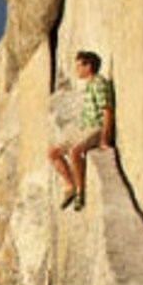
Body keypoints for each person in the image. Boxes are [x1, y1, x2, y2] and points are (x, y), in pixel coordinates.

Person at [47, 50, 113, 211]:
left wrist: (104, 138)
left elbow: (107, 111)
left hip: (96, 128)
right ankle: (70, 185)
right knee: (52, 152)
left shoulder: (99, 84)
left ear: (88, 66)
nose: (76, 70)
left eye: (79, 66)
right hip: (85, 127)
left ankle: (80, 191)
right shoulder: (90, 84)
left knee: (75, 151)